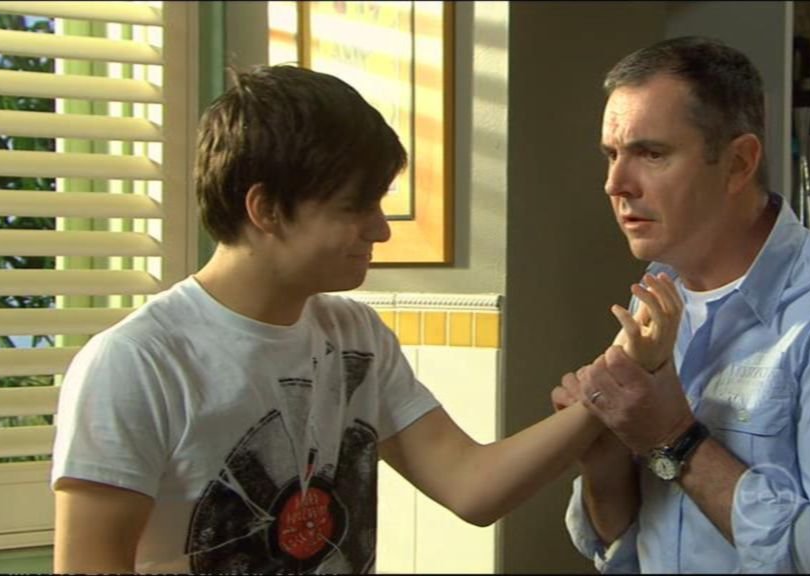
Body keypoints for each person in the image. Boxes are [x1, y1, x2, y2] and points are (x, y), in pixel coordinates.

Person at [50, 65, 606, 573]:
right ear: (266, 209)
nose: (380, 229)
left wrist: (610, 389)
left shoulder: (356, 337)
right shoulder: (138, 363)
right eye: (354, 207)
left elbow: (470, 485)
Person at [553, 37, 810, 573]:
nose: (615, 184)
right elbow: (630, 551)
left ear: (738, 163)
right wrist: (606, 467)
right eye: (612, 154)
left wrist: (673, 438)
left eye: (651, 153)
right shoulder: (658, 291)